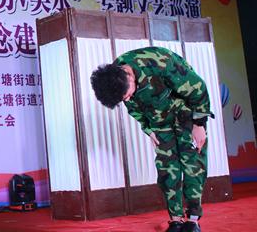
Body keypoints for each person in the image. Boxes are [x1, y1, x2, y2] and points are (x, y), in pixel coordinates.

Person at [90, 46, 212, 232]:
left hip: (186, 113)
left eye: (128, 95)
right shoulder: (114, 77)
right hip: (159, 121)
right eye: (124, 99)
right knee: (167, 170)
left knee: (192, 164)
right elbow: (134, 109)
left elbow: (198, 90)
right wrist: (148, 129)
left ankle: (193, 221)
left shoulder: (159, 62)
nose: (127, 99)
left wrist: (199, 124)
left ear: (129, 77)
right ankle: (176, 220)